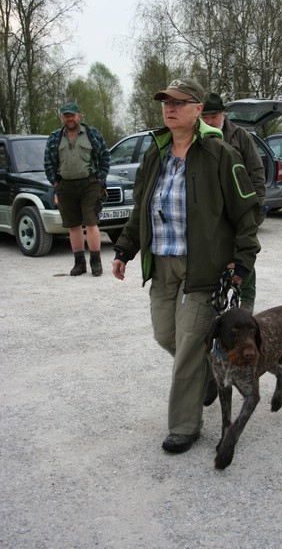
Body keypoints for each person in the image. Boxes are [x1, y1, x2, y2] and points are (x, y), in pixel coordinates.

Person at [112, 78, 260, 454]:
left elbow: (247, 211)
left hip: (204, 267)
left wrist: (243, 260)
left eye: (179, 102)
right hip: (162, 262)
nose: (170, 108)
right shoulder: (155, 154)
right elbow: (141, 209)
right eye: (166, 102)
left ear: (198, 109)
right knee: (166, 335)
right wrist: (124, 249)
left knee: (191, 342)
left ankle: (184, 426)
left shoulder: (220, 153)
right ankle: (207, 373)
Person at [201, 92, 266, 315]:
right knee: (213, 257)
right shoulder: (198, 137)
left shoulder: (240, 136)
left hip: (240, 207)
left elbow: (256, 173)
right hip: (211, 211)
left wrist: (256, 208)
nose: (209, 121)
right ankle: (215, 302)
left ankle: (247, 299)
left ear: (223, 114)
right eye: (205, 117)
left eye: (213, 116)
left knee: (244, 252)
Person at [44, 101, 110, 276]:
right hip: (65, 185)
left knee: (91, 222)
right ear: (62, 118)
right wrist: (55, 183)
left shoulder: (92, 134)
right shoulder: (54, 137)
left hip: (90, 184)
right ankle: (79, 263)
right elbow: (48, 162)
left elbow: (105, 157)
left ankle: (96, 262)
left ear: (79, 116)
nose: (69, 119)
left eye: (72, 115)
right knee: (73, 225)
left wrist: (100, 179)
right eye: (66, 116)